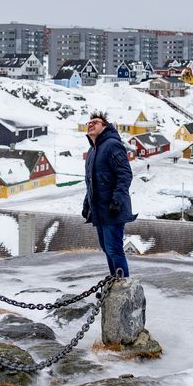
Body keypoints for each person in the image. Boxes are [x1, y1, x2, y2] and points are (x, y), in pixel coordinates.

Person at [82, 112, 135, 277]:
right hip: (99, 210)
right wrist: (87, 204)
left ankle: (123, 284)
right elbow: (91, 182)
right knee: (107, 248)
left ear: (105, 127)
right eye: (89, 122)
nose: (91, 124)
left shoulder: (112, 145)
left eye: (96, 122)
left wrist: (116, 201)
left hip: (113, 209)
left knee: (114, 249)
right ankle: (115, 281)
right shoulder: (92, 151)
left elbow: (125, 174)